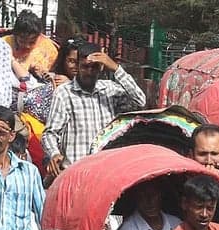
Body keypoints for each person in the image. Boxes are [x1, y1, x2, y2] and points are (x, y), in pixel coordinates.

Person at [41, 42, 145, 176]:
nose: (89, 72)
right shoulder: (64, 93)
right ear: (78, 66)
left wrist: (116, 68)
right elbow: (50, 133)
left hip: (105, 172)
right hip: (75, 172)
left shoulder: (110, 90)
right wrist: (54, 154)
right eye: (85, 67)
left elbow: (140, 100)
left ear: (101, 67)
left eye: (94, 67)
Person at [5, 10, 58, 78]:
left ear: (39, 36)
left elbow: (54, 74)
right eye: (22, 41)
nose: (27, 46)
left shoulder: (49, 48)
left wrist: (43, 73)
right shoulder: (4, 44)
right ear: (15, 35)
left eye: (32, 42)